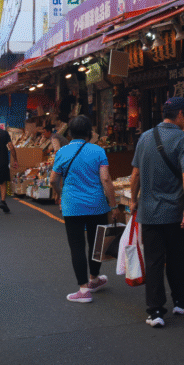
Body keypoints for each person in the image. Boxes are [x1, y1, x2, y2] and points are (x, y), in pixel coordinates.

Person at [130, 97, 184, 328]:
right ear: (180, 114)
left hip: (148, 212)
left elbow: (136, 173)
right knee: (177, 258)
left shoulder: (145, 137)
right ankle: (181, 301)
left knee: (154, 261)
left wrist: (132, 200)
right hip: (173, 211)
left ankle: (155, 311)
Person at [51, 115, 121, 303]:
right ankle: (94, 279)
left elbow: (53, 180)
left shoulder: (63, 152)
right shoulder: (98, 151)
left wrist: (60, 193)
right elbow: (106, 180)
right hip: (97, 205)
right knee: (96, 244)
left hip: (72, 205)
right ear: (90, 132)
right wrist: (113, 205)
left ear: (70, 132)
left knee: (77, 246)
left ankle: (83, 290)